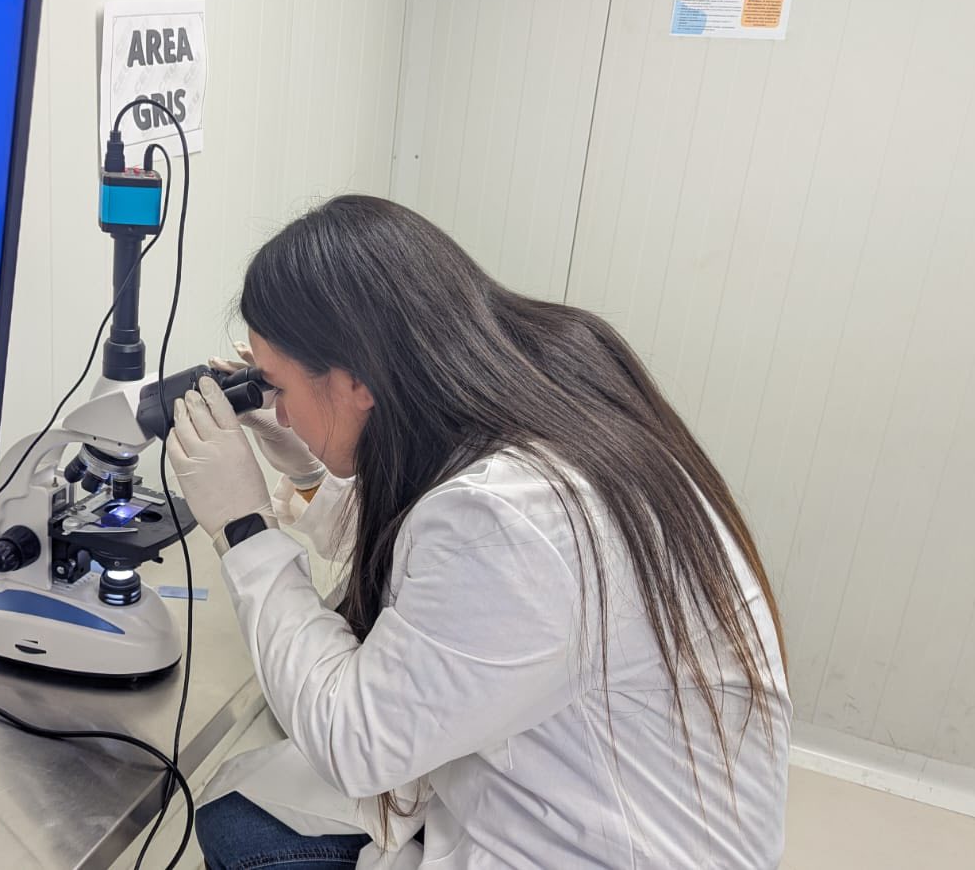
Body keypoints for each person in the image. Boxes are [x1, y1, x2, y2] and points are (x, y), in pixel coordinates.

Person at [165, 195, 790, 868]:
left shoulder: (513, 517)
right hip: (584, 786)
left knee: (240, 827)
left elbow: (357, 742)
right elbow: (448, 586)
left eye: (279, 388)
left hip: (592, 847)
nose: (281, 415)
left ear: (356, 381)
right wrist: (311, 475)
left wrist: (245, 529)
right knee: (248, 807)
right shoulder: (548, 390)